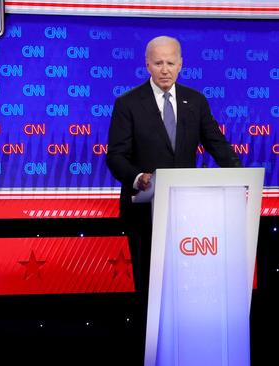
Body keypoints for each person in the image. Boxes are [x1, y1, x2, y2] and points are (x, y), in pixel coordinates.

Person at [106, 35, 241, 361]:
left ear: (181, 64)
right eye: (158, 63)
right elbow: (116, 156)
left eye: (170, 62)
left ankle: (188, 347)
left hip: (189, 212)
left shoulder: (195, 101)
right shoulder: (128, 103)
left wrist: (239, 175)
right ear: (147, 64)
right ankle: (150, 350)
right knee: (151, 286)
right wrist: (139, 178)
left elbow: (216, 143)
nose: (164, 69)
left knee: (185, 285)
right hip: (145, 211)